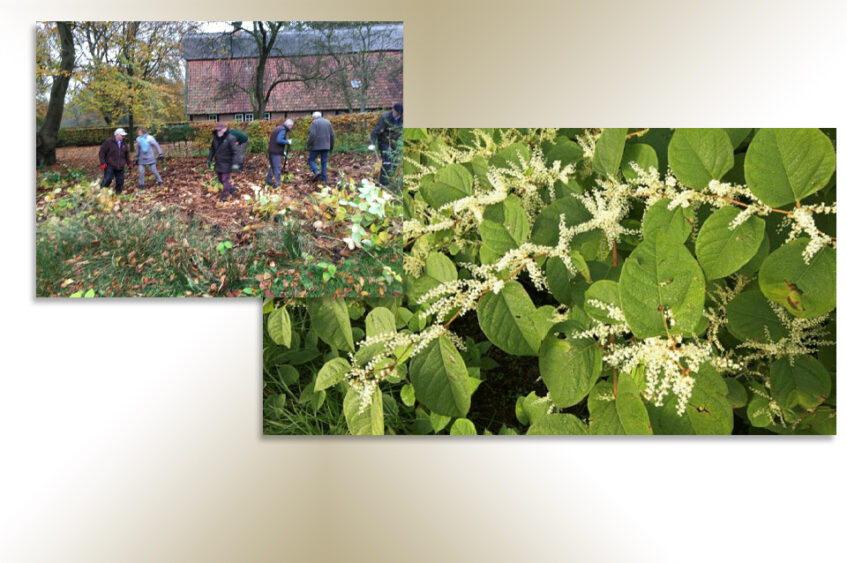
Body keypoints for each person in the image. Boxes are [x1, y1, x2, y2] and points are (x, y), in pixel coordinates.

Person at [369, 103, 403, 187]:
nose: (397, 114)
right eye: (396, 112)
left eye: (399, 113)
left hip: (395, 142)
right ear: (393, 110)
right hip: (384, 141)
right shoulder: (385, 118)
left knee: (395, 162)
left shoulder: (403, 118)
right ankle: (383, 184)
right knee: (387, 161)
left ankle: (391, 181)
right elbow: (375, 131)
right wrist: (372, 143)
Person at [207, 122, 239, 201]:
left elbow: (235, 152)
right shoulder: (215, 138)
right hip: (218, 162)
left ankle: (225, 195)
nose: (219, 132)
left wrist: (235, 164)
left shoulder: (231, 138)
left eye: (220, 130)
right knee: (220, 179)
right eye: (217, 130)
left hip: (227, 162)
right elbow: (212, 149)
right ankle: (231, 189)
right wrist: (209, 159)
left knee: (225, 179)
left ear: (224, 129)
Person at [98, 128, 131, 194]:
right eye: (122, 135)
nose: (123, 137)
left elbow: (126, 154)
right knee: (108, 179)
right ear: (117, 135)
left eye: (124, 135)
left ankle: (118, 194)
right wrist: (103, 162)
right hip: (110, 165)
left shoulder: (124, 143)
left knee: (120, 181)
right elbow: (101, 152)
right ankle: (101, 192)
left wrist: (129, 163)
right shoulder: (108, 142)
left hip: (120, 166)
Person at [306, 111, 335, 183]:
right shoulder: (328, 123)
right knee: (324, 163)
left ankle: (316, 171)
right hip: (326, 146)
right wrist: (331, 146)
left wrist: (309, 145)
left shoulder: (314, 123)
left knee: (311, 160)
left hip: (316, 146)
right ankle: (324, 180)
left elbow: (312, 135)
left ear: (315, 117)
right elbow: (332, 135)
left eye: (313, 118)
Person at [266, 118, 294, 187]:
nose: (290, 129)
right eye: (291, 127)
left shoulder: (277, 128)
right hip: (276, 152)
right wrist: (287, 142)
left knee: (272, 167)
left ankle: (268, 180)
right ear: (289, 125)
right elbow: (279, 140)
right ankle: (277, 184)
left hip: (271, 150)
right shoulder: (283, 130)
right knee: (277, 168)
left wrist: (283, 151)